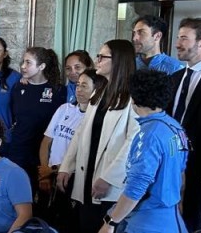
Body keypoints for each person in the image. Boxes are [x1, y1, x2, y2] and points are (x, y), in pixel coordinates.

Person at [57, 39, 140, 233]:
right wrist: (66, 166)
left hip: (111, 183)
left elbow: (132, 143)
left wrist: (109, 178)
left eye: (102, 56)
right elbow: (81, 131)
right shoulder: (101, 91)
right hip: (87, 177)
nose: (97, 60)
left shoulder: (133, 97)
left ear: (118, 61)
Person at [99, 69, 188, 233]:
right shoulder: (175, 127)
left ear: (134, 97)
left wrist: (110, 223)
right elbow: (181, 173)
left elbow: (137, 186)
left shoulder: (149, 134)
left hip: (148, 221)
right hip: (172, 217)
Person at [168, 17, 201, 231]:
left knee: (193, 219)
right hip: (172, 159)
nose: (177, 43)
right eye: (178, 37)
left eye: (184, 38)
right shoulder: (176, 77)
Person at [39, 69, 105, 233]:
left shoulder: (96, 118)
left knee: (68, 223)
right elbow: (47, 140)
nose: (79, 90)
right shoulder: (64, 109)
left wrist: (53, 171)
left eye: (85, 86)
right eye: (78, 85)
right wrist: (45, 170)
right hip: (49, 173)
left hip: (71, 178)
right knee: (47, 220)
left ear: (96, 90)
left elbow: (83, 155)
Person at [2, 47, 67, 191]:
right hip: (19, 150)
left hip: (43, 153)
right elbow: (14, 115)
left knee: (42, 196)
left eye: (28, 63)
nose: (23, 66)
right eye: (23, 62)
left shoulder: (57, 90)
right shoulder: (19, 87)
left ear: (41, 66)